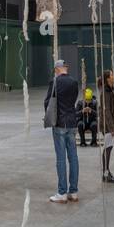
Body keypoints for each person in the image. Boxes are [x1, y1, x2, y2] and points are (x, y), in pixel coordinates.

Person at [44, 59, 80, 204]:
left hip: (59, 123)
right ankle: (74, 191)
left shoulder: (54, 82)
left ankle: (62, 193)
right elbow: (74, 101)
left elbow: (47, 102)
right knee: (73, 158)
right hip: (72, 122)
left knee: (61, 159)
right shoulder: (73, 82)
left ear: (57, 69)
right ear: (65, 68)